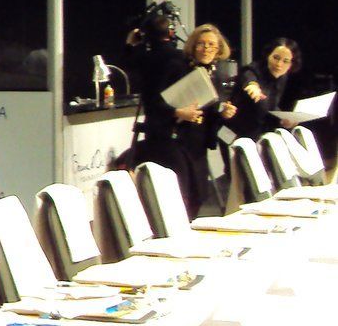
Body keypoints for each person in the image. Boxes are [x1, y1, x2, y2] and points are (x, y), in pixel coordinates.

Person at [126, 19, 235, 215]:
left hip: (197, 145)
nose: (206, 48)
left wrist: (222, 113)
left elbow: (211, 114)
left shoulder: (215, 74)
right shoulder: (176, 66)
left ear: (219, 49)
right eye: (201, 43)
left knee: (198, 196)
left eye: (212, 44)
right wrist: (178, 112)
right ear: (193, 45)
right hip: (172, 140)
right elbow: (152, 102)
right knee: (178, 199)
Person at [228, 37, 300, 141]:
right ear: (268, 55)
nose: (279, 64)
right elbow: (249, 78)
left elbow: (270, 106)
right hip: (234, 134)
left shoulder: (281, 77)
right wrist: (253, 86)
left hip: (258, 134)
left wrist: (283, 119)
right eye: (276, 57)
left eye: (286, 61)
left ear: (291, 64)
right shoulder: (253, 70)